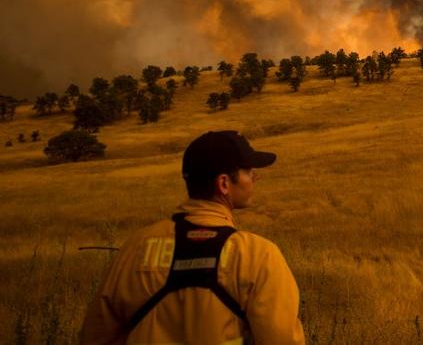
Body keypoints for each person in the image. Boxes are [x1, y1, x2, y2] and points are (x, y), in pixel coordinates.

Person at [80, 130, 305, 345]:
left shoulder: (135, 247)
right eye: (248, 171)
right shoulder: (258, 255)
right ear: (224, 183)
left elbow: (96, 336)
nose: (255, 177)